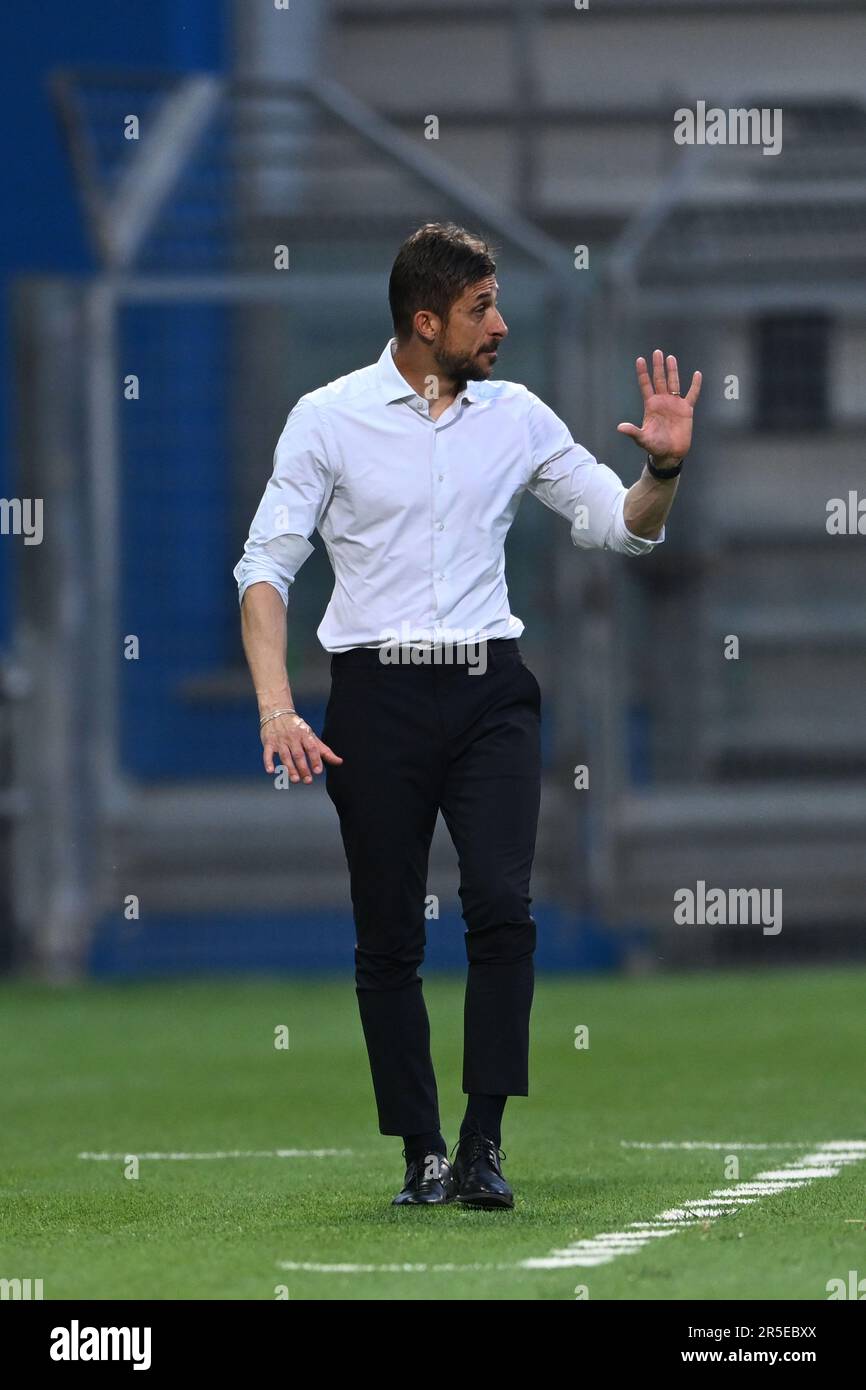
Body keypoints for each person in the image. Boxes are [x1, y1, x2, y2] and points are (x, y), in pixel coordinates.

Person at [234, 222, 701, 1209]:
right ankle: (419, 1150)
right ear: (423, 320)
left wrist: (658, 473)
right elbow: (264, 571)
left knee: (500, 905)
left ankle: (484, 1143)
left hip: (489, 689)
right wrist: (277, 704)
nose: (497, 325)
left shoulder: (518, 417)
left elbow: (617, 531)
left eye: (495, 304)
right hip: (373, 697)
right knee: (387, 936)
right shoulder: (327, 419)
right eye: (479, 309)